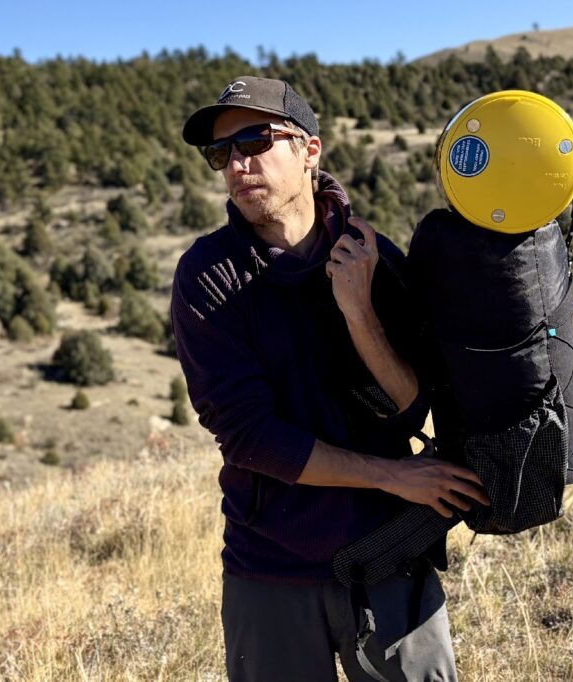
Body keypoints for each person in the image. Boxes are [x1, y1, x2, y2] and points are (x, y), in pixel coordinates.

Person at [170, 76, 489, 681]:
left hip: (390, 555)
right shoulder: (209, 276)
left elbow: (410, 406)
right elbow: (248, 437)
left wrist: (357, 309)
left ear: (309, 150)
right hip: (271, 569)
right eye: (221, 154)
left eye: (255, 141)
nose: (237, 165)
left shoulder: (372, 256)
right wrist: (393, 476)